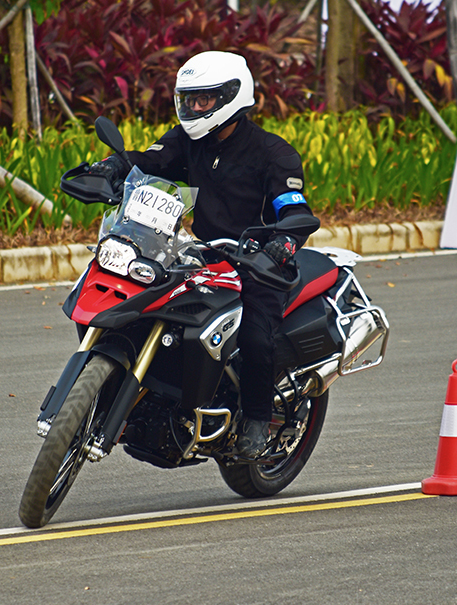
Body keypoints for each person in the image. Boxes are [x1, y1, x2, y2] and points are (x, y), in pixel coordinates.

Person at [89, 50, 316, 457]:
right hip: (203, 255)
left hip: (258, 263)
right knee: (141, 300)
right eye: (188, 99)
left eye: (203, 100)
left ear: (232, 96)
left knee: (254, 335)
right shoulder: (187, 140)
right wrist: (113, 168)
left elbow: (293, 208)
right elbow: (149, 162)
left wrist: (283, 242)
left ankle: (257, 421)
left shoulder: (273, 154)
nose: (193, 108)